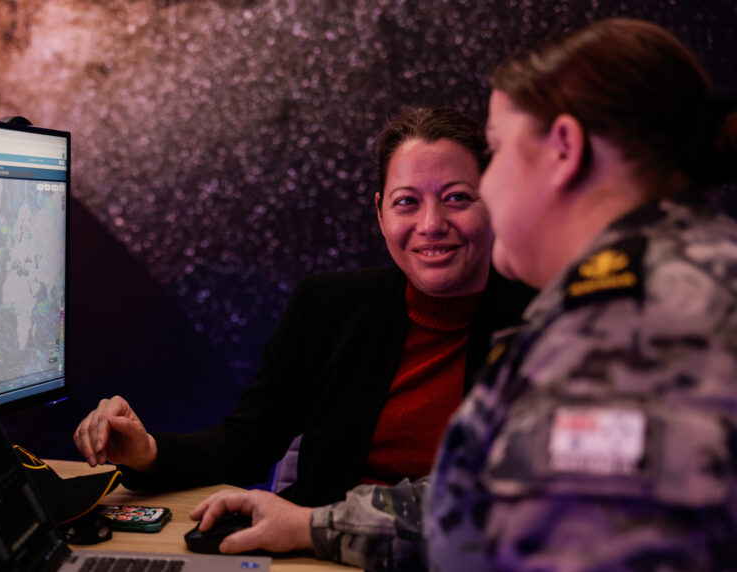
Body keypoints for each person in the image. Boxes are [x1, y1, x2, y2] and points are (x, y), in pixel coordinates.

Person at [196, 17, 737, 571]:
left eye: (497, 152)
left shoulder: (629, 323)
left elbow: (507, 535)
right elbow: (490, 492)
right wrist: (311, 525)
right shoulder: (669, 276)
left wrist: (312, 527)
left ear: (565, 150)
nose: (486, 189)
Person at [74, 107, 534, 518]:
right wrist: (146, 452)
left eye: (456, 197)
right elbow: (247, 445)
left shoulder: (550, 325)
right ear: (380, 213)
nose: (431, 224)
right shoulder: (325, 306)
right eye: (406, 202)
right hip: (313, 558)